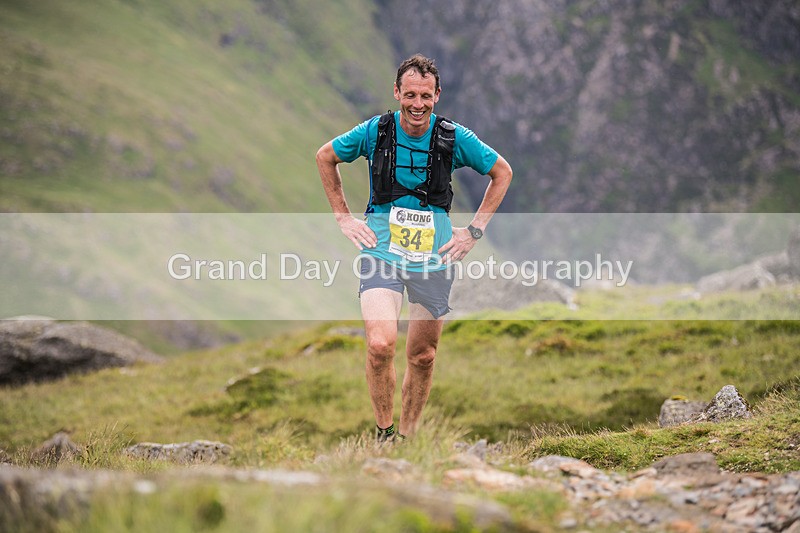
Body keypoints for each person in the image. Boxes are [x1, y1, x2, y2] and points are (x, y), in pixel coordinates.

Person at [316, 54, 512, 441]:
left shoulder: (455, 138)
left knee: (423, 357)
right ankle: (384, 433)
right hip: (381, 252)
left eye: (425, 95)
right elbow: (326, 157)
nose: (417, 104)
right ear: (396, 92)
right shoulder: (375, 132)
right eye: (409, 95)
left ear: (437, 95)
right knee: (380, 344)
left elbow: (501, 173)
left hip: (434, 258)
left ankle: (407, 436)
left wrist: (473, 231)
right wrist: (343, 217)